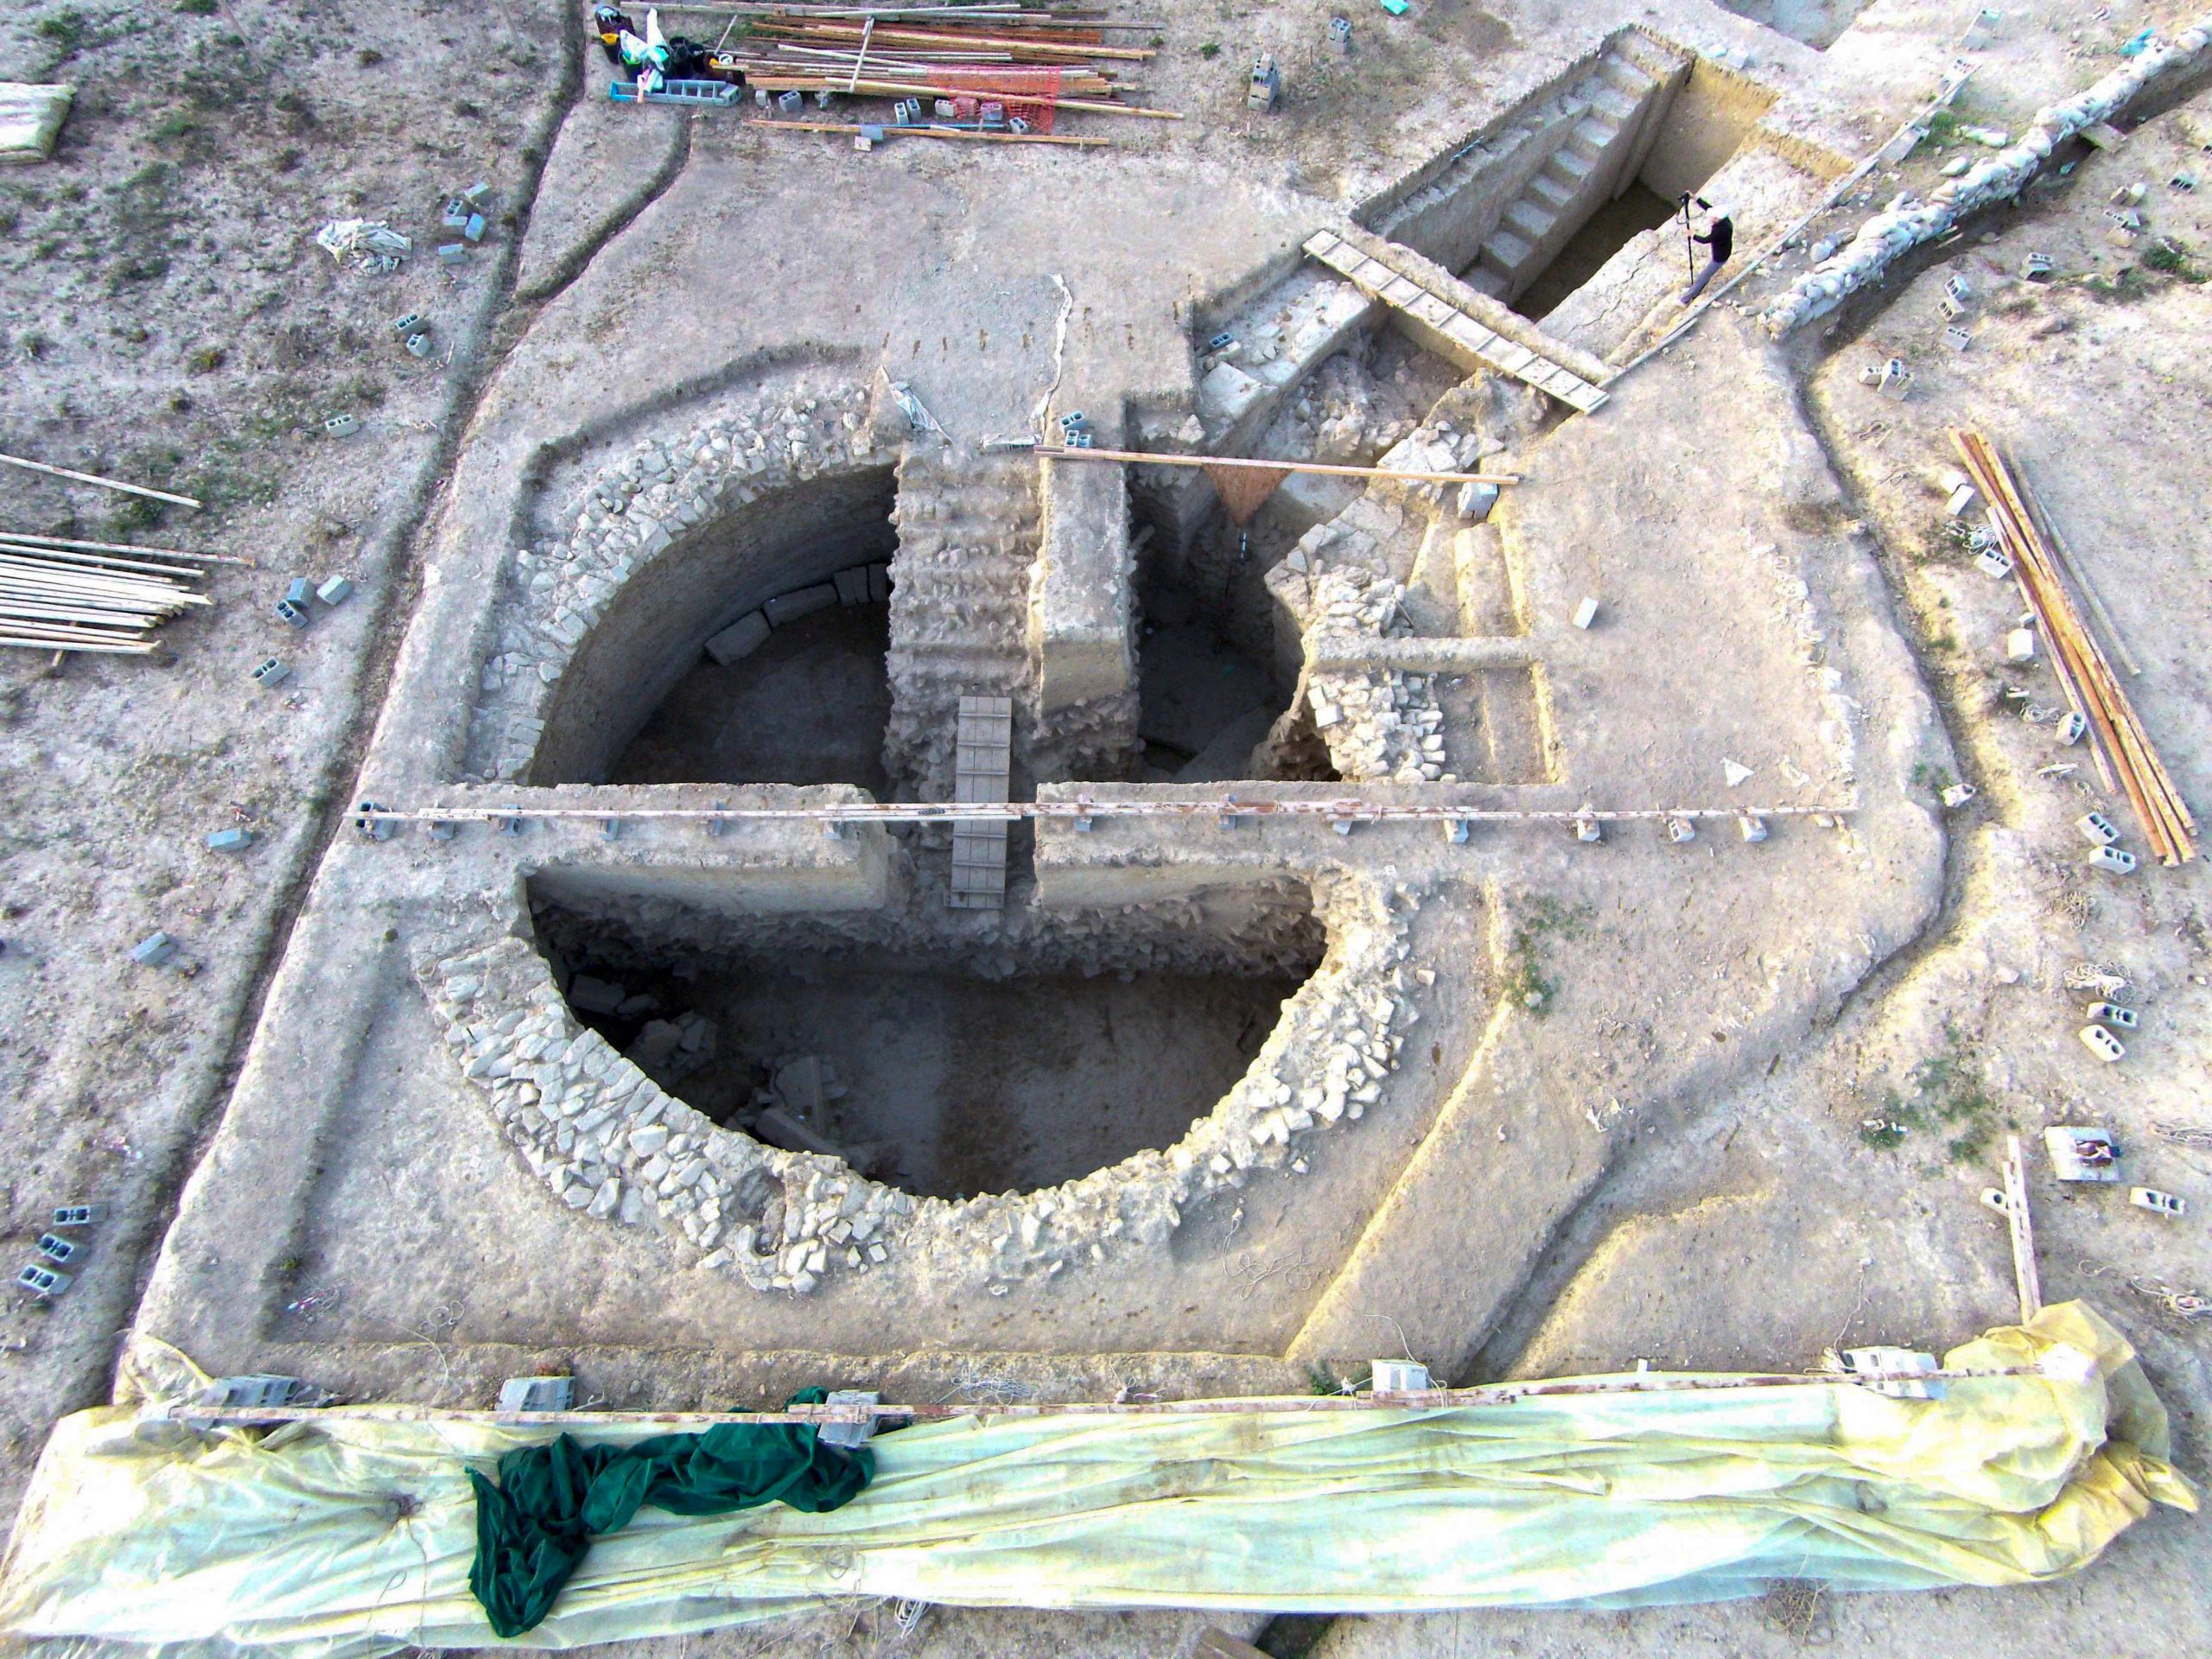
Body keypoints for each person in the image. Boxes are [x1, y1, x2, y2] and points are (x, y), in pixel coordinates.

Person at [1680, 198, 1734, 304]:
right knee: (1705, 276)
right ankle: (1694, 291)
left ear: (1717, 219)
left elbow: (1706, 240)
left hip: (1719, 258)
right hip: (1723, 252)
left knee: (1702, 277)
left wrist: (1693, 235)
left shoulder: (1720, 230)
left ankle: (1684, 300)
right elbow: (1708, 208)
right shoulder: (1725, 221)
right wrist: (1695, 198)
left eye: (1712, 217)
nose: (1710, 218)